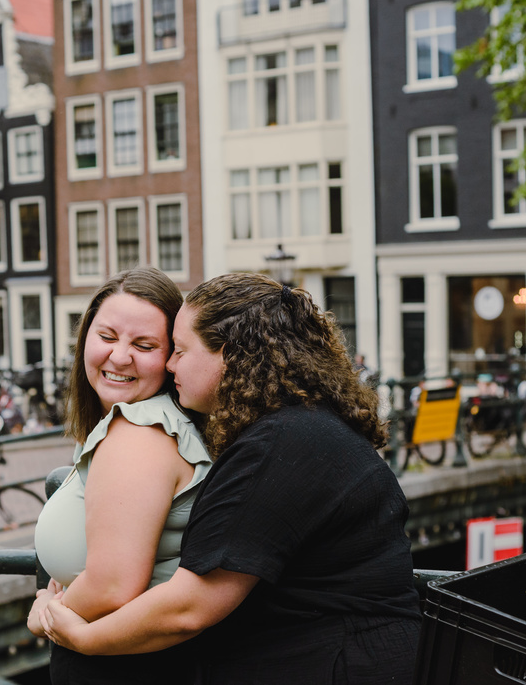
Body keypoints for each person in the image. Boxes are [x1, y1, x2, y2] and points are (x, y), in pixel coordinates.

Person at [42, 273, 421, 684]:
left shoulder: (280, 444)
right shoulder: (296, 429)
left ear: (231, 357)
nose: (171, 366)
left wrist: (77, 636)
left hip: (340, 664)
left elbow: (191, 608)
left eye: (180, 351)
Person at [28, 268, 212, 685]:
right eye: (107, 337)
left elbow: (112, 587)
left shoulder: (139, 431)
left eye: (144, 345)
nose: (120, 356)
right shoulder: (131, 424)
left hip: (129, 667)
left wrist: (45, 615)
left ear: (171, 358)